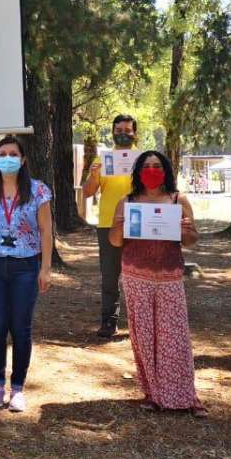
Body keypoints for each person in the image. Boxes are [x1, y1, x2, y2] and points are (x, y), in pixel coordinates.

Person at [109, 150, 205, 415]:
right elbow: (116, 241)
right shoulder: (127, 202)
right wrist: (119, 225)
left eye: (157, 165)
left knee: (174, 337)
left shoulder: (178, 200)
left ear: (166, 170)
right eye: (147, 166)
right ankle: (152, 393)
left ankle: (185, 396)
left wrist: (187, 231)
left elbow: (190, 240)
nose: (152, 170)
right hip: (135, 275)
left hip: (169, 275)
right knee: (144, 337)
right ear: (139, 171)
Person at [0, 136, 53, 413]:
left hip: (25, 267)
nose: (7, 158)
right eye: (3, 154)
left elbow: (45, 231)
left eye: (13, 154)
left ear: (23, 159)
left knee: (20, 328)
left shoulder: (38, 191)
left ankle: (17, 388)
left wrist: (45, 268)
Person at [82, 114, 139, 338]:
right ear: (113, 132)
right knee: (109, 276)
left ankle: (139, 322)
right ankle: (109, 321)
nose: (123, 134)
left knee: (138, 275)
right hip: (108, 223)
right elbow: (87, 192)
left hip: (138, 223)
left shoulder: (144, 158)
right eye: (119, 130)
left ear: (135, 132)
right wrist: (94, 176)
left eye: (127, 130)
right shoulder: (102, 159)